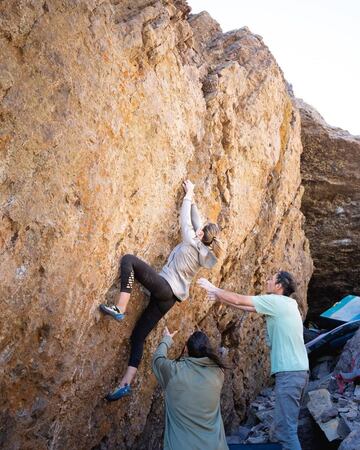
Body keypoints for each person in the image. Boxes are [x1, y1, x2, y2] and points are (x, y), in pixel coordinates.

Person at [100, 180, 224, 401]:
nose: (198, 228)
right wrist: (192, 196)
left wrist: (189, 196)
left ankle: (120, 307)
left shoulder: (190, 240)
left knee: (129, 260)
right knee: (138, 337)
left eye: (201, 229)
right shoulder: (207, 253)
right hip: (171, 299)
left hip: (165, 286)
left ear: (200, 234)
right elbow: (198, 221)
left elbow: (185, 219)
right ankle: (126, 383)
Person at [197, 271, 309, 450]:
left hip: (290, 375)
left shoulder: (277, 302)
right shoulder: (288, 304)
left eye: (271, 279)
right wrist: (219, 298)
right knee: (285, 430)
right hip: (298, 373)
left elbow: (240, 300)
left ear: (279, 286)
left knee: (287, 433)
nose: (267, 280)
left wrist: (215, 288)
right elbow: (247, 307)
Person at [152, 327, 229, 450]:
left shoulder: (174, 371)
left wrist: (167, 339)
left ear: (186, 349)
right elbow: (216, 357)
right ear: (207, 349)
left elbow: (158, 359)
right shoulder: (218, 373)